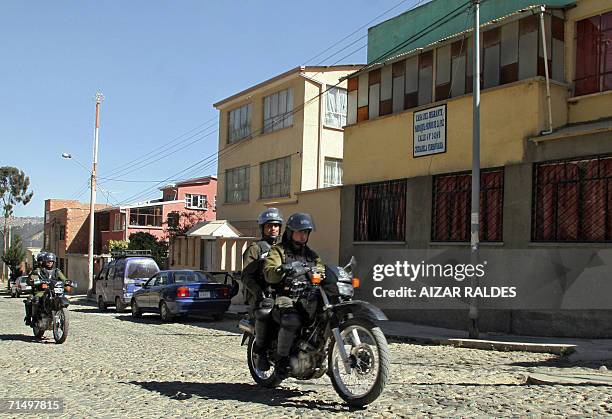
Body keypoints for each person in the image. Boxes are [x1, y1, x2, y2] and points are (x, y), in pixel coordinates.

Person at [263, 212, 324, 378]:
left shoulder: (311, 255)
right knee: (292, 318)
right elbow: (269, 272)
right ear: (290, 232)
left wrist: (322, 273)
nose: (303, 235)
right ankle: (282, 360)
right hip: (286, 296)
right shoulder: (278, 251)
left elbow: (320, 268)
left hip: (308, 295)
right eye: (300, 231)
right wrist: (281, 269)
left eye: (306, 232)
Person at [241, 208, 284, 371]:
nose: (273, 229)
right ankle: (262, 353)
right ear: (263, 228)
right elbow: (246, 276)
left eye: (275, 226)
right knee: (266, 312)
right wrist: (258, 292)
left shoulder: (284, 249)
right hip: (261, 294)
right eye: (269, 226)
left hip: (281, 292)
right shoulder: (255, 248)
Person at [24, 252, 67, 326]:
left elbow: (64, 279)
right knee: (35, 299)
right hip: (41, 291)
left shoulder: (57, 271)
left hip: (54, 290)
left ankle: (61, 314)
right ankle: (33, 318)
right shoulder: (38, 271)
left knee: (61, 297)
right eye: (48, 261)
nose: (50, 263)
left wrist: (68, 282)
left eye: (51, 261)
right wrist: (37, 281)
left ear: (54, 262)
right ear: (44, 261)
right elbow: (31, 280)